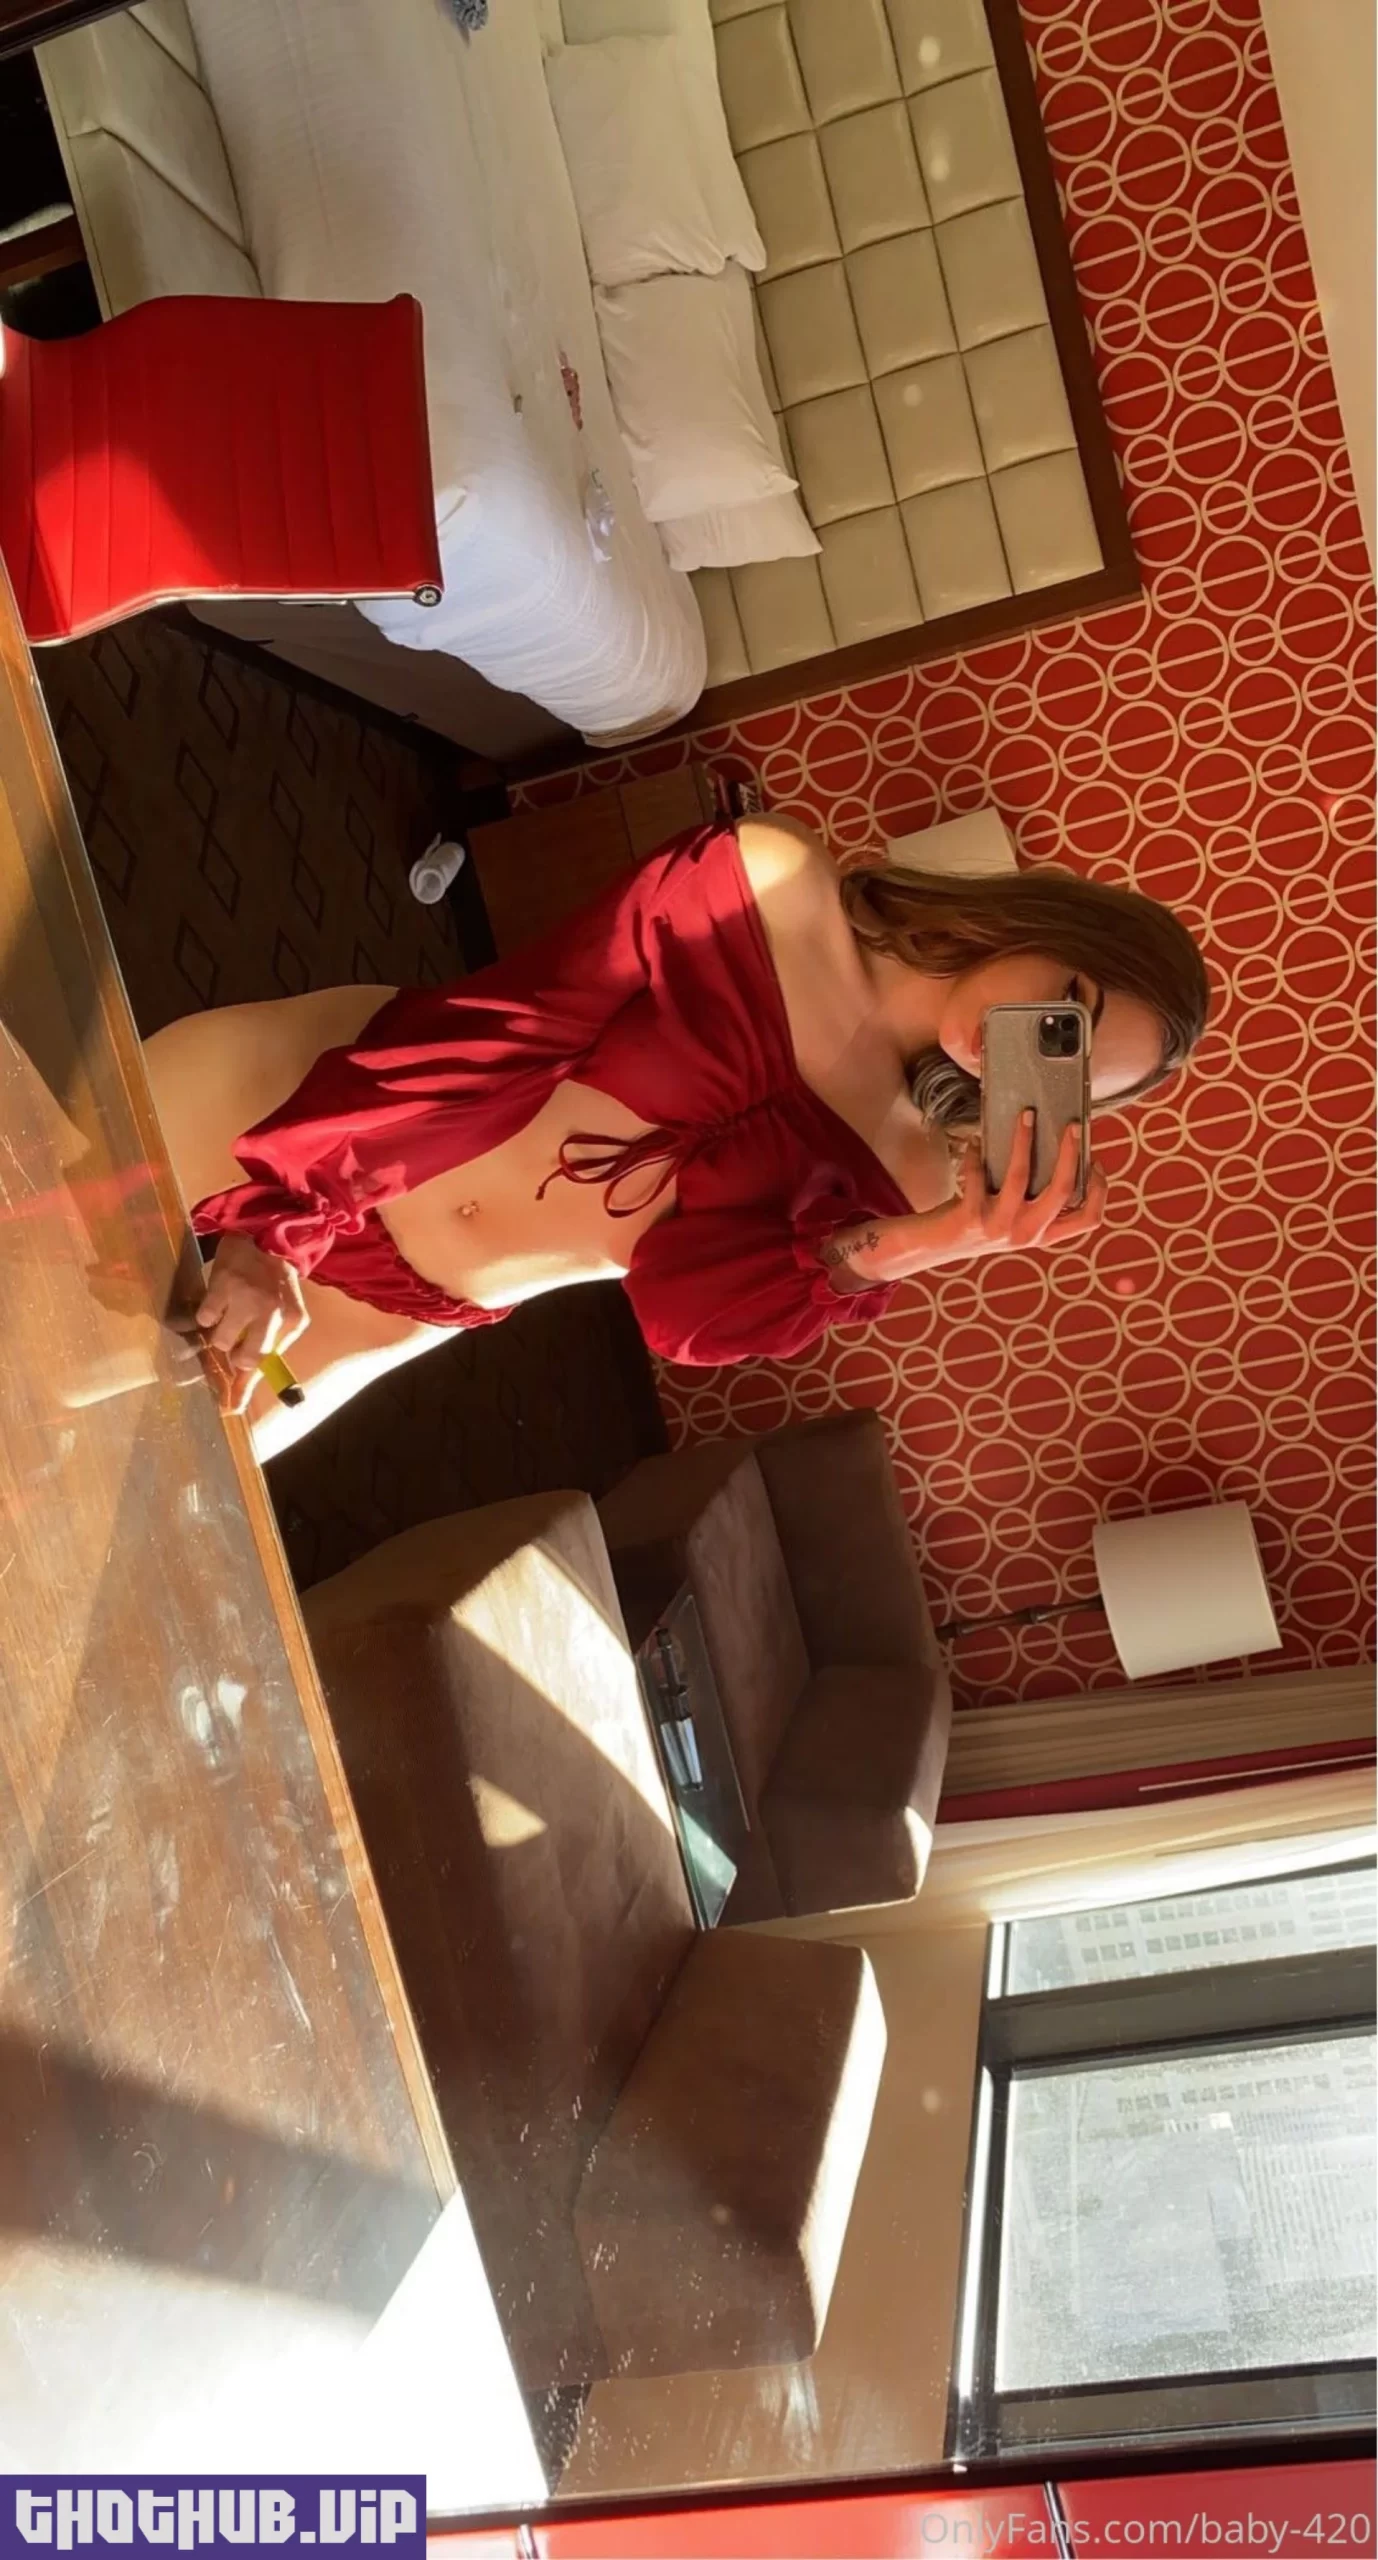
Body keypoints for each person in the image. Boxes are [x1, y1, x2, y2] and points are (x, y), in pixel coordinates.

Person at [144, 816, 1209, 1460]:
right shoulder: (774, 884)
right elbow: (507, 1032)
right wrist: (281, 1224)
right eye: (1067, 1010)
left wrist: (933, 1242)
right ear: (1046, 924)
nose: (1034, 1040)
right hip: (287, 1115)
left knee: (129, 1479)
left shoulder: (912, 1171)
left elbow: (681, 1315)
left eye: (1070, 1069)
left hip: (399, 1302)